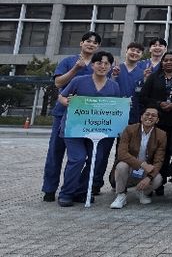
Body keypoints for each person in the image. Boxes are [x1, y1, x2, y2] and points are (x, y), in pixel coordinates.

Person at [57, 50, 122, 207]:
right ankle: (66, 193)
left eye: (106, 63)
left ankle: (82, 192)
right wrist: (66, 102)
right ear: (92, 65)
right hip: (74, 129)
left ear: (110, 67)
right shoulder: (78, 81)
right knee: (78, 158)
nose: (102, 66)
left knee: (96, 159)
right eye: (99, 63)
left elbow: (115, 107)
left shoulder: (114, 86)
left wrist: (124, 107)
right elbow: (61, 96)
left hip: (99, 130)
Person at [42, 30, 101, 202]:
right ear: (81, 43)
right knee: (56, 152)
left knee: (83, 156)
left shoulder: (98, 64)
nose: (91, 44)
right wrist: (76, 68)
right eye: (88, 41)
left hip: (87, 118)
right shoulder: (68, 61)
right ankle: (49, 188)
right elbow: (58, 83)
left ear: (98, 46)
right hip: (63, 114)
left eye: (95, 42)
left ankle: (77, 190)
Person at [139, 51, 172, 193]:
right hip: (155, 122)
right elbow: (143, 97)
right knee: (152, 152)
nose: (168, 62)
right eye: (165, 60)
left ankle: (160, 182)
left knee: (166, 153)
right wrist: (159, 104)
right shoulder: (154, 78)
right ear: (162, 63)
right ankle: (148, 180)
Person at [110, 107, 167, 209]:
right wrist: (142, 164)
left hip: (145, 172)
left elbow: (159, 161)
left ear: (157, 120)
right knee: (121, 166)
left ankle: (141, 192)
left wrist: (149, 178)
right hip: (130, 169)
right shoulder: (129, 129)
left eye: (153, 115)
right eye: (147, 114)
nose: (150, 117)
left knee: (158, 179)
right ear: (141, 117)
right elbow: (122, 154)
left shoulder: (161, 135)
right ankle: (121, 195)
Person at [114, 42, 146, 125]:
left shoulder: (143, 73)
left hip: (134, 113)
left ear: (141, 55)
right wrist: (113, 76)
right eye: (132, 50)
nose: (135, 53)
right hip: (114, 111)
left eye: (138, 52)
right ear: (126, 51)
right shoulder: (115, 70)